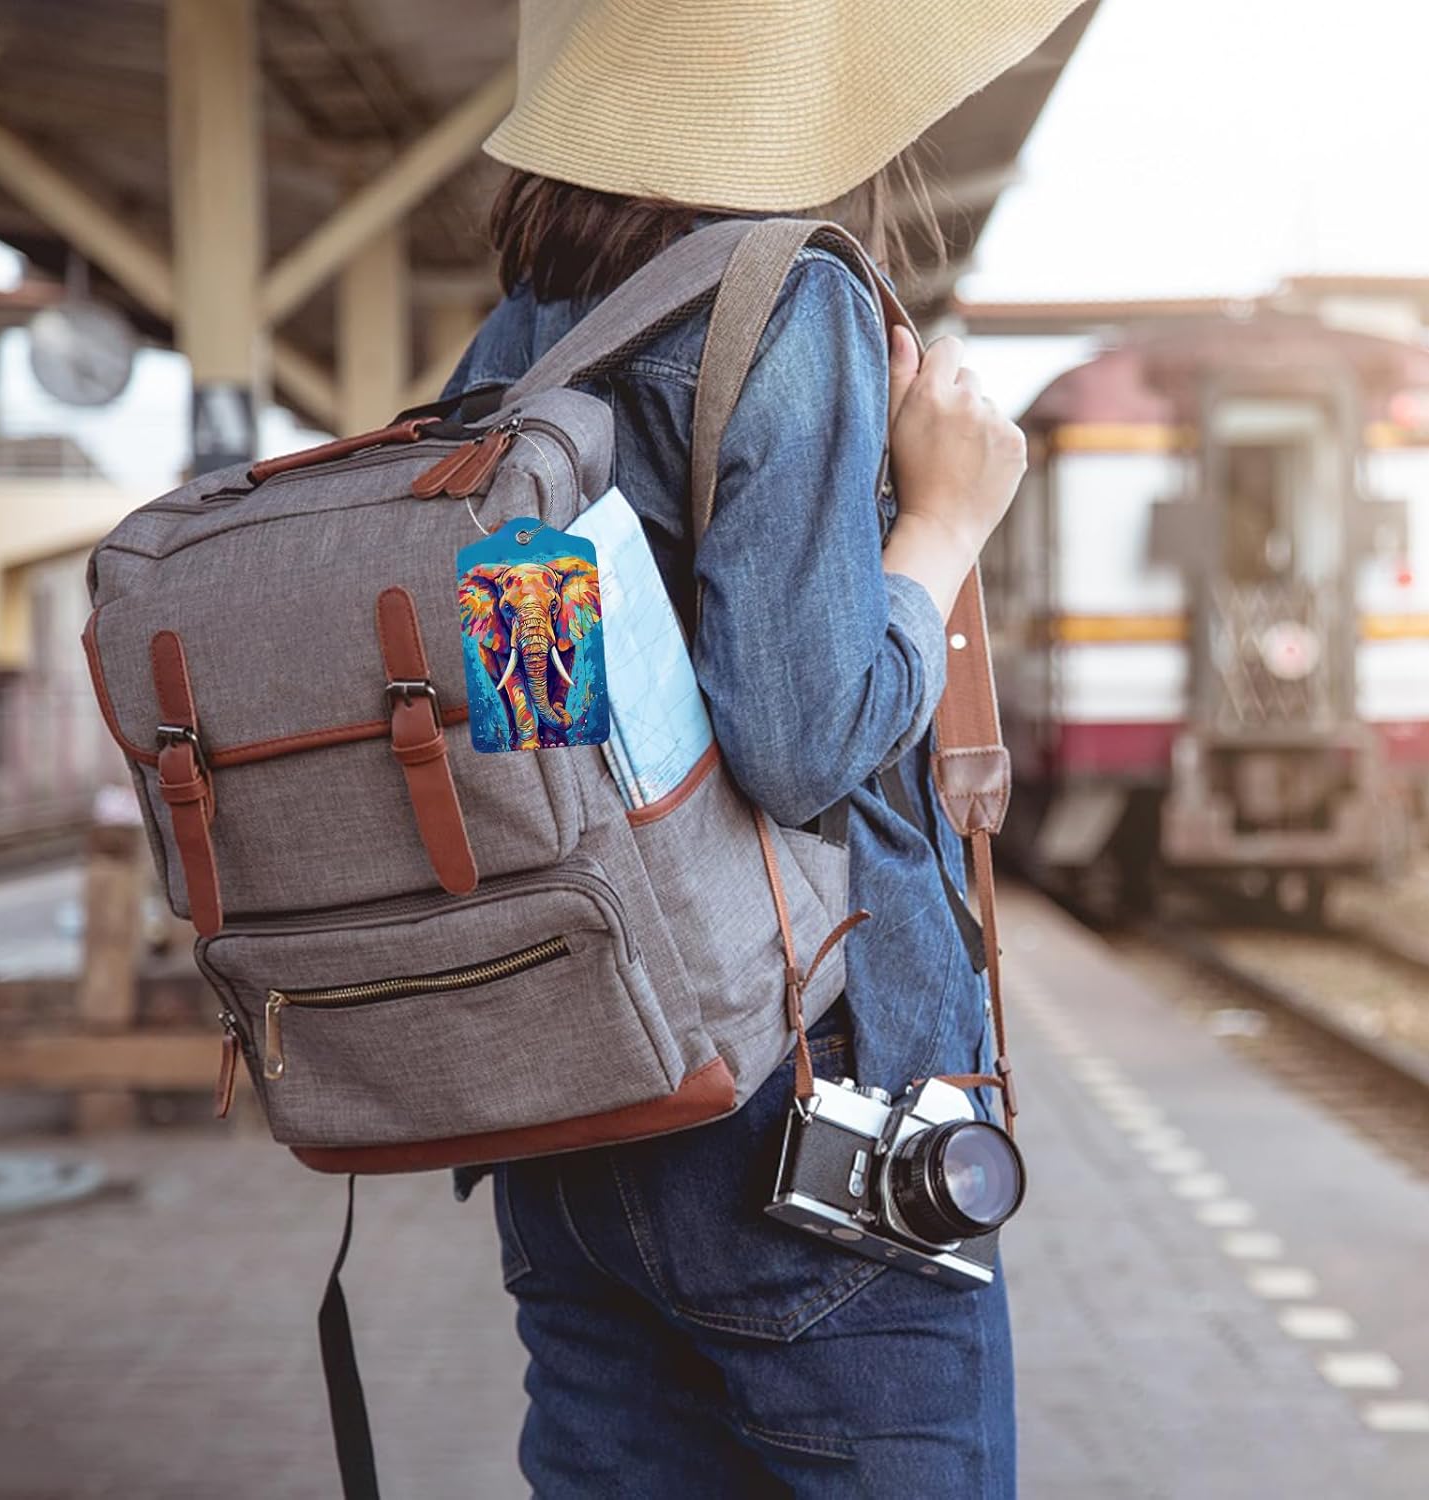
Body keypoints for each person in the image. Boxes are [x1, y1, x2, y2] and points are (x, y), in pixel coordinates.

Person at [444, 2, 1083, 1493]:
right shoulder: (787, 299)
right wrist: (945, 523)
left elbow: (534, 719)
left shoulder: (515, 342)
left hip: (577, 1099)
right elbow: (802, 744)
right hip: (802, 1104)